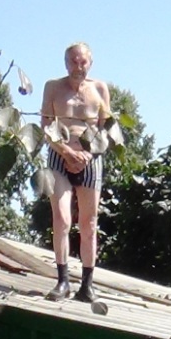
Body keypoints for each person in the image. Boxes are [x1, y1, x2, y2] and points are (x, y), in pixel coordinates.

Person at [40, 42, 111, 302]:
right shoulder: (53, 87)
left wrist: (87, 155)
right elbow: (46, 126)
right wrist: (66, 152)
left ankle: (87, 284)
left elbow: (105, 130)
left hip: (89, 160)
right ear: (65, 63)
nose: (77, 67)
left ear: (89, 63)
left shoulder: (100, 89)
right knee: (61, 219)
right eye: (72, 61)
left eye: (82, 62)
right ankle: (62, 281)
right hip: (60, 157)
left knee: (89, 223)